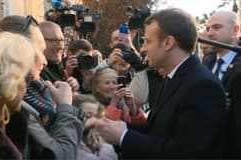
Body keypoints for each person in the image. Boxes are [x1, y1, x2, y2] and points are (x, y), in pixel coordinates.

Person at [86, 8, 227, 158]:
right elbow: (157, 129)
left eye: (147, 41)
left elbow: (187, 152)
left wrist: (124, 136)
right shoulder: (174, 76)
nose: (144, 48)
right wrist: (120, 126)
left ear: (168, 43)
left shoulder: (202, 86)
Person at [0, 15, 84, 159]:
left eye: (62, 40)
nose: (45, 62)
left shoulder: (35, 92)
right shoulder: (14, 107)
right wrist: (65, 108)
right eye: (40, 51)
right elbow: (61, 156)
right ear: (19, 51)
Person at [204, 10, 241, 158]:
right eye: (208, 28)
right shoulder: (206, 62)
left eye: (217, 27)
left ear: (235, 30)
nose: (210, 34)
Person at [73, 94, 118, 160]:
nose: (93, 120)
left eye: (95, 116)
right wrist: (105, 147)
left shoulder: (97, 136)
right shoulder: (71, 140)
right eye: (88, 116)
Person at [39, 21, 80, 92]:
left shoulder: (61, 68)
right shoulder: (37, 73)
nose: (60, 46)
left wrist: (72, 84)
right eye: (54, 40)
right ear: (39, 41)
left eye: (62, 40)